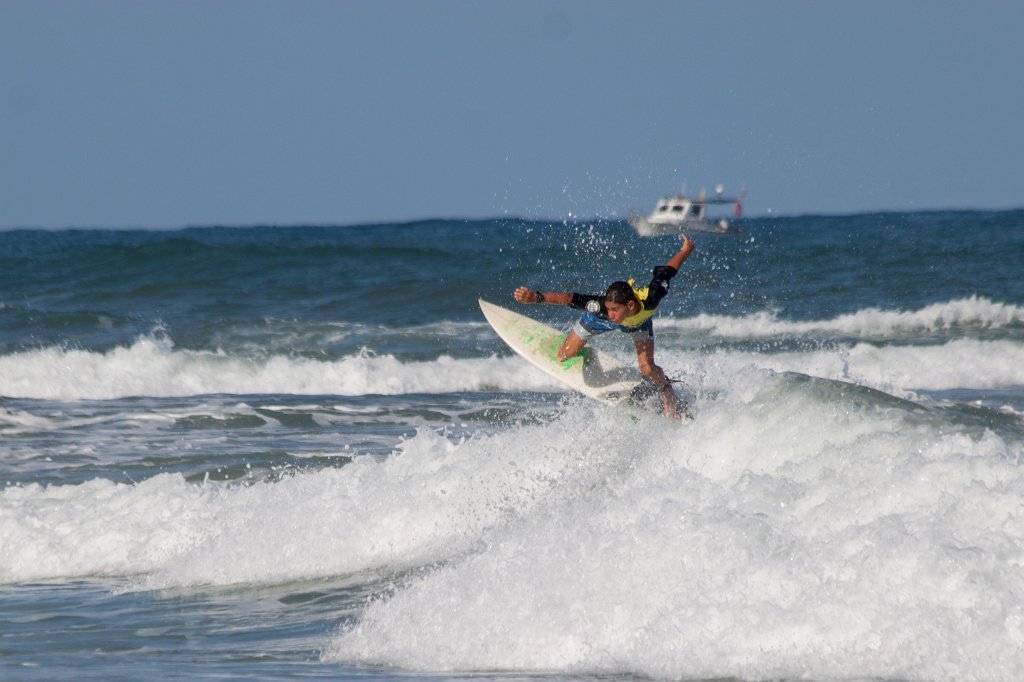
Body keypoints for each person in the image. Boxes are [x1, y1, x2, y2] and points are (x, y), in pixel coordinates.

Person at [514, 236, 695, 417]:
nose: (611, 314)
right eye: (609, 309)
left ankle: (668, 392)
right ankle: (579, 345)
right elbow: (571, 298)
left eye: (615, 310)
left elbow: (666, 272)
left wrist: (685, 250)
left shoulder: (652, 297)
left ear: (630, 306)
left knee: (647, 368)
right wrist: (536, 298)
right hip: (597, 321)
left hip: (639, 323)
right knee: (565, 354)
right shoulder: (602, 310)